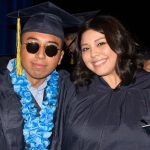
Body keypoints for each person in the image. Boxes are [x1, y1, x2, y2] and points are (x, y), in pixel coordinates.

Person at [55, 15, 150, 150]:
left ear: (119, 42)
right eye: (85, 48)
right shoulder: (73, 90)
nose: (93, 54)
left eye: (100, 43)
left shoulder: (146, 87)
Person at [0, 1, 83, 149]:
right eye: (33, 46)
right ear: (19, 48)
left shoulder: (69, 89)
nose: (40, 55)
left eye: (51, 49)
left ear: (60, 57)